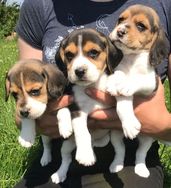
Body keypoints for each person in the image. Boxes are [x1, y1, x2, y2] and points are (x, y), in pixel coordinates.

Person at [14, 0, 171, 187]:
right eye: (70, 56)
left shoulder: (164, 5)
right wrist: (35, 119)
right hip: (61, 153)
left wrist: (161, 125)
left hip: (129, 158)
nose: (80, 66)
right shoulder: (39, 5)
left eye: (94, 53)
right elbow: (24, 104)